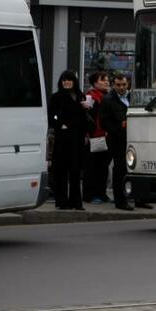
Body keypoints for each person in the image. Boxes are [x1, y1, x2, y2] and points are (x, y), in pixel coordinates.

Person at [101, 74, 145, 210]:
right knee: (120, 170)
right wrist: (120, 129)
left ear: (128, 84)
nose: (121, 88)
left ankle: (140, 199)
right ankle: (120, 201)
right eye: (118, 85)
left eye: (124, 85)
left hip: (135, 139)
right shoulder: (108, 100)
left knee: (139, 168)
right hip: (117, 140)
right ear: (114, 85)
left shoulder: (133, 98)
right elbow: (104, 122)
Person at [48, 71, 87, 210]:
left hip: (77, 138)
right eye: (64, 80)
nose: (66, 83)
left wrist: (87, 108)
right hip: (63, 139)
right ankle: (62, 201)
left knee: (76, 171)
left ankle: (76, 201)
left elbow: (85, 117)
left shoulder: (81, 96)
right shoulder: (56, 97)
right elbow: (51, 116)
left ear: (74, 81)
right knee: (62, 172)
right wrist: (60, 125)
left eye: (69, 80)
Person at [84, 71, 111, 204]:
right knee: (92, 167)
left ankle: (102, 193)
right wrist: (88, 133)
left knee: (103, 167)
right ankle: (91, 195)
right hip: (95, 136)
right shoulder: (91, 96)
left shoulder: (109, 96)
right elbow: (87, 117)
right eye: (103, 80)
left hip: (107, 136)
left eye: (107, 80)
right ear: (95, 83)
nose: (106, 82)